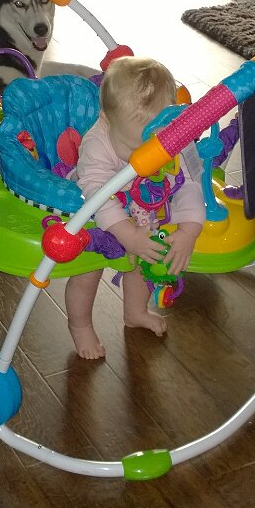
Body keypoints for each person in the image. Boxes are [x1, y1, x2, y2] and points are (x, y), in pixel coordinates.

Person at [65, 57, 204, 360]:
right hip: (91, 210)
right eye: (133, 149)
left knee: (146, 258)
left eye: (154, 146)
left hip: (141, 209)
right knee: (87, 271)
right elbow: (97, 194)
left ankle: (135, 312)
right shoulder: (97, 144)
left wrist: (189, 231)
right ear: (106, 120)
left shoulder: (167, 137)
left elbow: (190, 182)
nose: (146, 158)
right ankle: (80, 325)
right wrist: (127, 234)